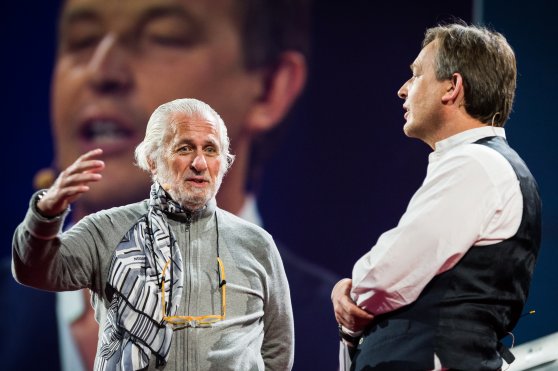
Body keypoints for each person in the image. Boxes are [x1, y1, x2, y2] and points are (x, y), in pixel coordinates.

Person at [2, 0, 339, 370]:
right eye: (82, 40)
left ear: (270, 86)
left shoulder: (345, 337)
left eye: (165, 38)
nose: (101, 71)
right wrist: (44, 215)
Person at [12, 98, 294, 370]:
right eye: (185, 148)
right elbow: (34, 270)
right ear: (151, 159)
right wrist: (45, 215)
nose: (200, 163)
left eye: (211, 150)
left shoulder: (257, 244)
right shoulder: (108, 229)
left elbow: (278, 348)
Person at [331, 23, 541, 371]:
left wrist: (348, 291)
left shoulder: (476, 164)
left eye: (415, 75)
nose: (403, 90)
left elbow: (383, 278)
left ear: (452, 87)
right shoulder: (485, 165)